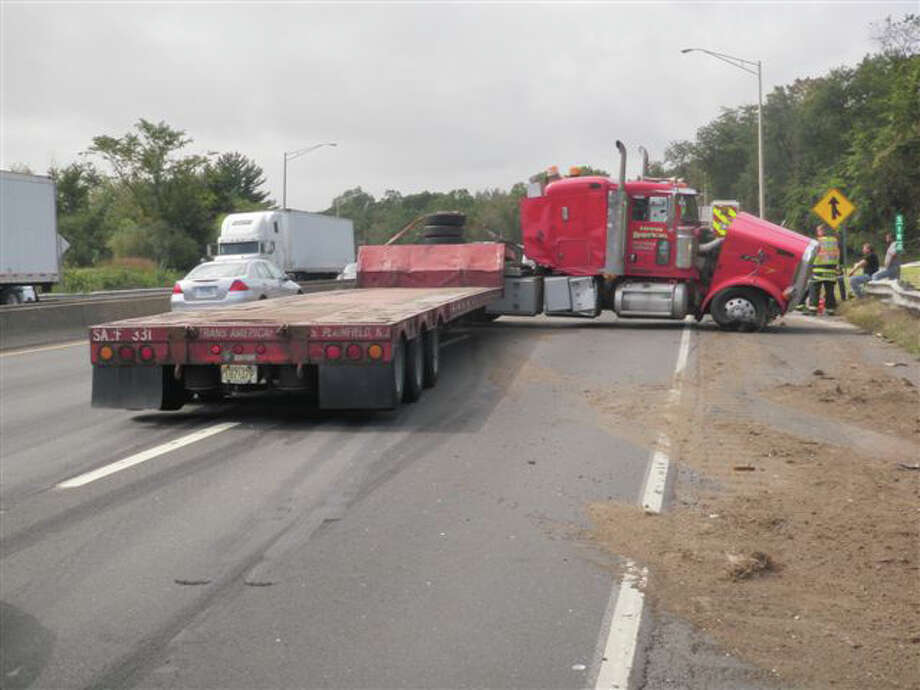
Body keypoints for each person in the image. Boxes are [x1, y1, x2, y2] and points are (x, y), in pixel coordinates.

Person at [808, 224, 841, 315]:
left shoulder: (817, 241)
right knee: (830, 291)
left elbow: (812, 254)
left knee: (814, 289)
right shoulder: (834, 241)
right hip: (831, 270)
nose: (817, 233)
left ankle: (813, 309)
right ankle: (830, 310)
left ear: (821, 231)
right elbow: (838, 254)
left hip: (818, 269)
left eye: (818, 231)